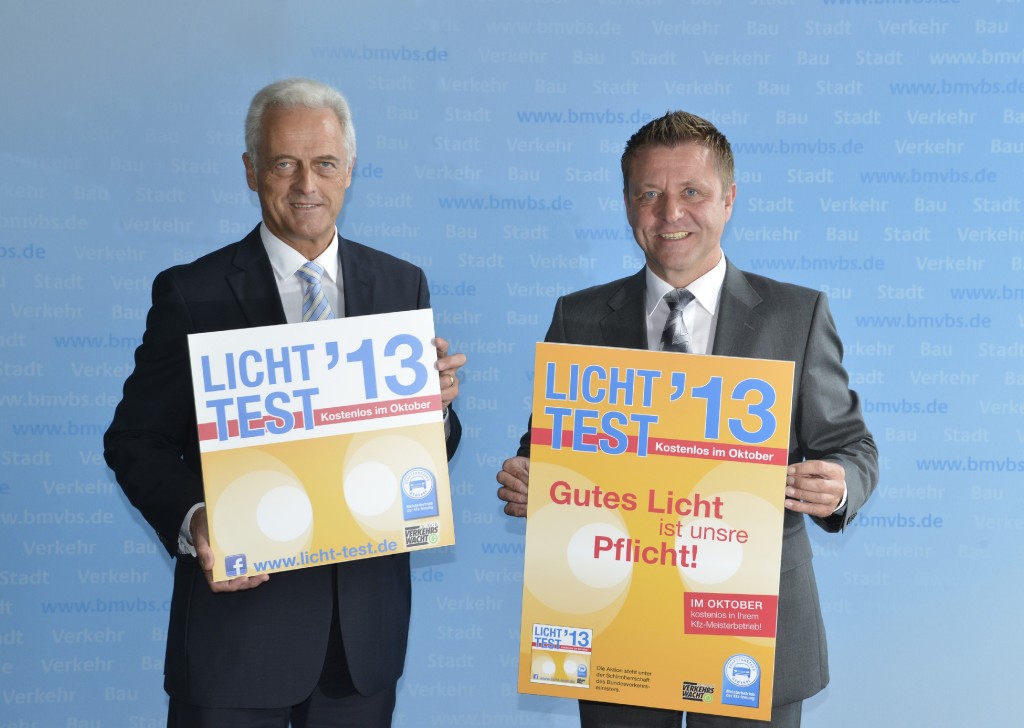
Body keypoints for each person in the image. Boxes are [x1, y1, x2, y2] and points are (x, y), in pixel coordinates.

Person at [496, 111, 877, 728]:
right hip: (619, 631)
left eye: (692, 192)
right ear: (628, 204)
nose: (670, 212)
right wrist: (529, 480)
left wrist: (838, 486)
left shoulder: (797, 315)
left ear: (729, 200)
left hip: (750, 634)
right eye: (649, 193)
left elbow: (852, 447)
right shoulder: (578, 318)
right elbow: (547, 450)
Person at [105, 77, 465, 728]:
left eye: (324, 163)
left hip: (361, 648)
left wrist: (433, 410)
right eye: (283, 164)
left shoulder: (400, 284)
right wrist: (196, 520)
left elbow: (423, 451)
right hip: (235, 644)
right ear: (251, 171)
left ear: (349, 170)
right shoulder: (191, 293)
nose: (306, 184)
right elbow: (135, 441)